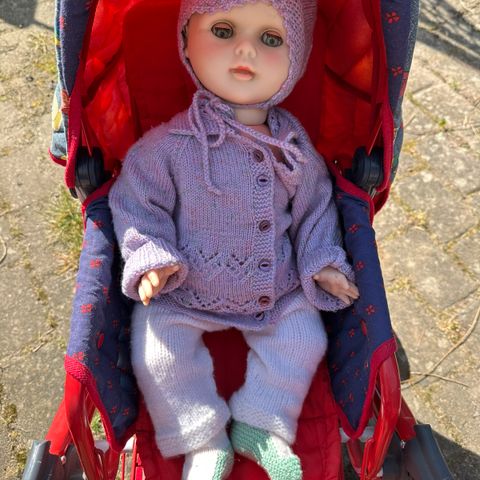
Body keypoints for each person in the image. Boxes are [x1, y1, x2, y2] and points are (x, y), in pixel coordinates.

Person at [109, 1, 359, 478]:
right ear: (186, 40)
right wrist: (152, 256)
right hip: (183, 289)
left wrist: (322, 261)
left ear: (298, 60)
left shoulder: (292, 149)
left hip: (276, 288)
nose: (245, 49)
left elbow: (315, 209)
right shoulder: (169, 146)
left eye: (271, 39)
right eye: (223, 30)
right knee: (156, 352)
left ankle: (260, 422)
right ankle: (203, 442)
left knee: (304, 338)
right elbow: (137, 201)